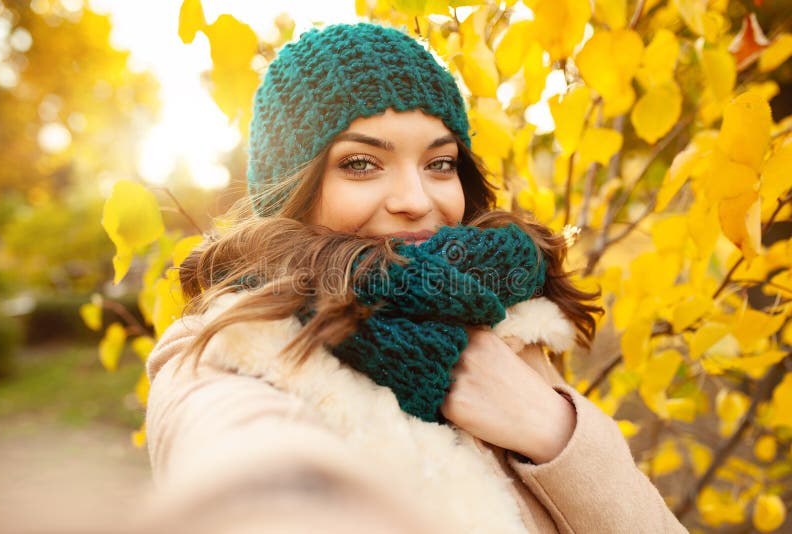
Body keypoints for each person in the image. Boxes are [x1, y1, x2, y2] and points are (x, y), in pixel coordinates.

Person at [144, 22, 688, 533]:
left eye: (440, 163)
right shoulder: (225, 347)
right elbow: (238, 464)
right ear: (291, 190)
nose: (415, 200)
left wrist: (551, 429)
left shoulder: (504, 320)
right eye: (361, 163)